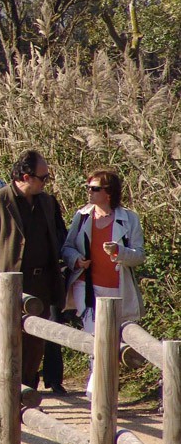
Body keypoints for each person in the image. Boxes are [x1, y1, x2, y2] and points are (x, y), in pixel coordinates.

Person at [0, 149, 65, 389]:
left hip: (42, 284)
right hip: (9, 286)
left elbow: (56, 238)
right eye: (43, 177)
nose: (46, 182)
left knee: (36, 343)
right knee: (11, 341)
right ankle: (11, 392)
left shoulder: (47, 202)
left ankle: (28, 390)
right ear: (26, 176)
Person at [62, 169, 145, 398]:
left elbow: (139, 255)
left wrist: (120, 252)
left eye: (95, 188)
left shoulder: (129, 219)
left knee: (110, 339)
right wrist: (76, 260)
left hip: (118, 288)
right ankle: (96, 390)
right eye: (88, 187)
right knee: (97, 336)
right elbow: (67, 248)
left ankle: (103, 389)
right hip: (86, 286)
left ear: (108, 193)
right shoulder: (82, 216)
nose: (89, 192)